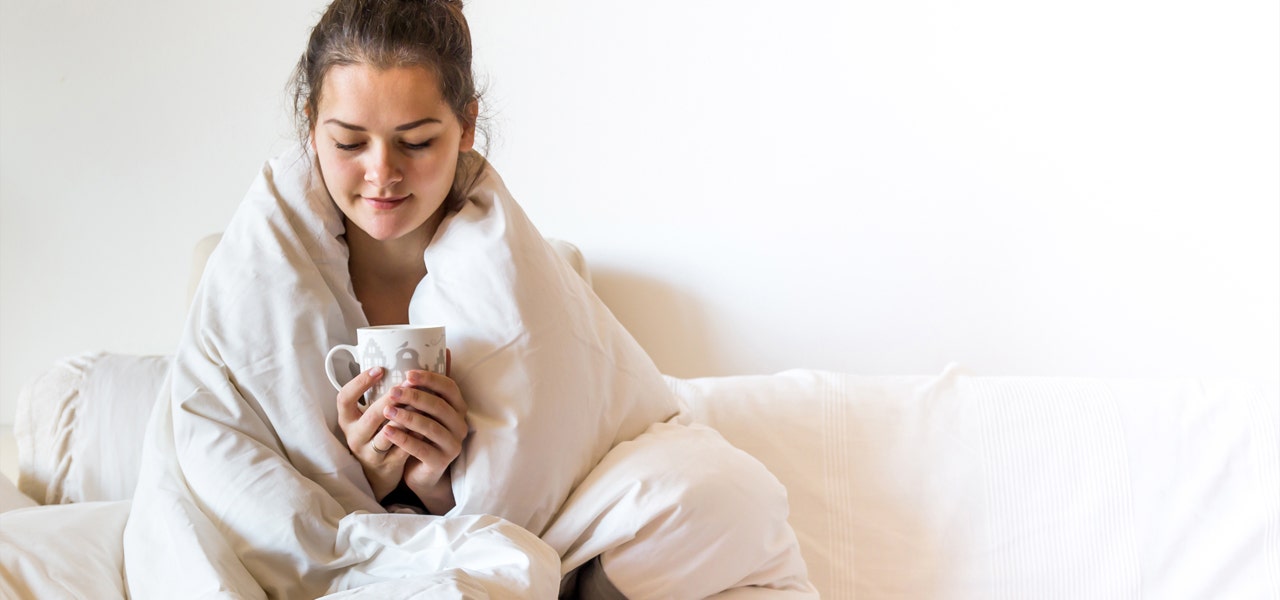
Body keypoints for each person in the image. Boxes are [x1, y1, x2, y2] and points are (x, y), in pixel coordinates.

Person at [124, 1, 815, 597]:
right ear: (311, 126)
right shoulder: (257, 263)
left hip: (512, 538)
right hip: (343, 545)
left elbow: (549, 466)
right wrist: (359, 475)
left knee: (725, 492)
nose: (381, 174)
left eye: (417, 142)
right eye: (348, 142)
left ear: (466, 126)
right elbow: (223, 450)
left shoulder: (513, 265)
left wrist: (441, 484)